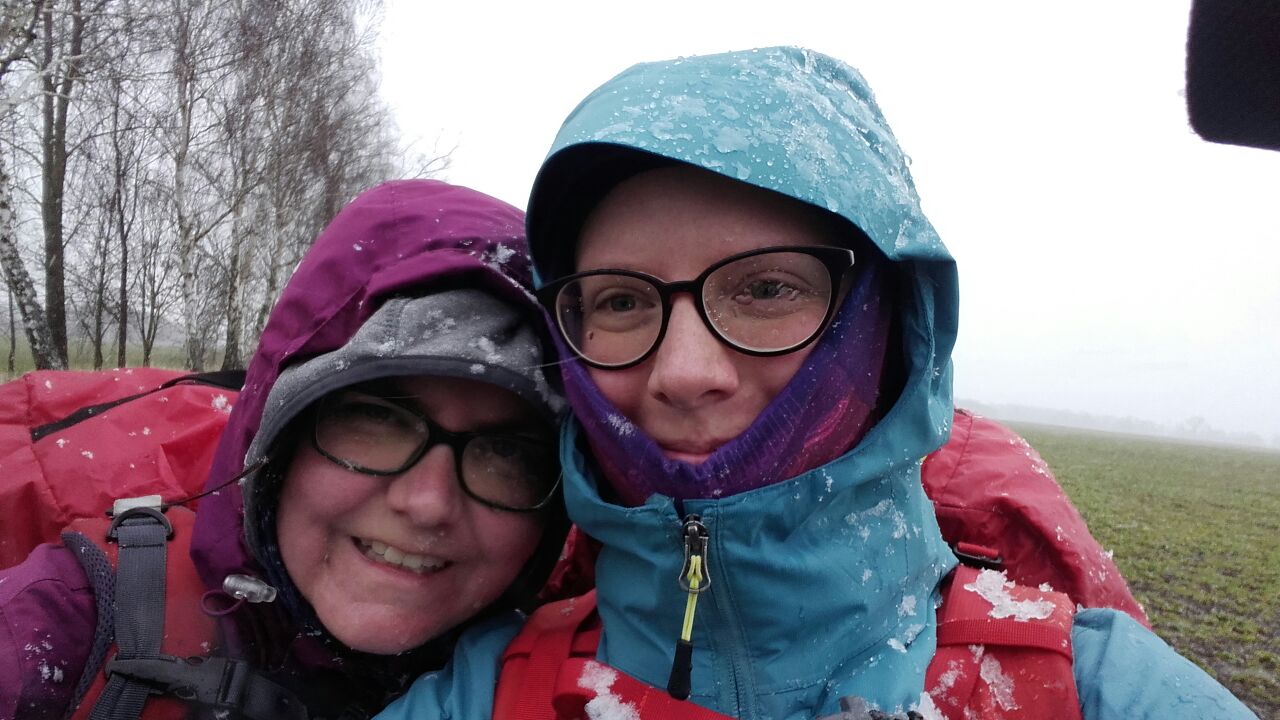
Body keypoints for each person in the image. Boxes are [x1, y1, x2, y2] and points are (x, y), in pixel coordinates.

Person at [380, 48, 1256, 719]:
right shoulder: (481, 693)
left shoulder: (1098, 692)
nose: (684, 373)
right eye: (618, 300)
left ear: (890, 323)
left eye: (767, 289)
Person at [0, 179, 567, 719]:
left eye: (507, 453)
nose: (428, 503)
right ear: (276, 439)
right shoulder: (71, 618)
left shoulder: (584, 669)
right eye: (377, 419)